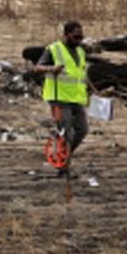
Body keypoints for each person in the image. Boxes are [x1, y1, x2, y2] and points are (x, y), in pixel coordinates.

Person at [34, 21, 92, 173]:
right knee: (66, 132)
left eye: (81, 37)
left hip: (75, 98)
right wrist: (52, 68)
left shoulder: (80, 52)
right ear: (66, 35)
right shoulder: (53, 49)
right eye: (76, 37)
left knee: (82, 130)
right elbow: (38, 67)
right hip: (58, 98)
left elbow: (83, 75)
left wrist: (97, 92)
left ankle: (63, 154)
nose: (79, 40)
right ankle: (64, 167)